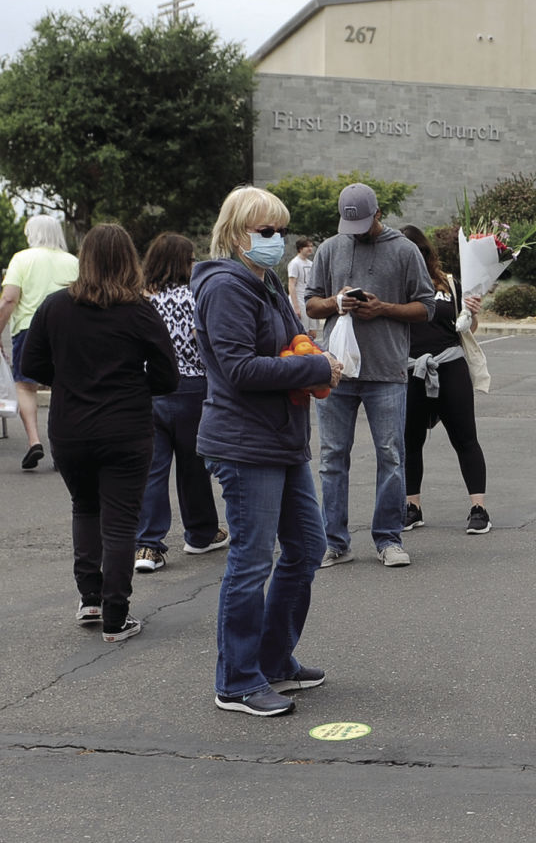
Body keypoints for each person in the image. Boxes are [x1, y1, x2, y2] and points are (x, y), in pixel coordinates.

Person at [194, 186, 342, 716]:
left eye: (281, 230)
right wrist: (315, 367)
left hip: (279, 439)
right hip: (245, 442)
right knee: (251, 562)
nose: (277, 240)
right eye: (266, 232)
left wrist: (311, 354)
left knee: (305, 547)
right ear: (237, 235)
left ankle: (274, 661)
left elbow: (281, 347)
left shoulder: (265, 281)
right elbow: (239, 369)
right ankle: (236, 681)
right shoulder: (226, 287)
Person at [19, 224, 177, 643]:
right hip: (126, 426)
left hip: (71, 426)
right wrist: (135, 385)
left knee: (85, 508)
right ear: (129, 259)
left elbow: (32, 367)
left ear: (84, 258)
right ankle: (116, 614)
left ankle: (90, 597)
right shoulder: (140, 311)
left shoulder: (55, 307)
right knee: (122, 521)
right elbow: (167, 375)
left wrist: (71, 378)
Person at [304, 183, 435, 568]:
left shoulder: (405, 250)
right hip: (337, 371)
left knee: (391, 456)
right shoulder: (330, 248)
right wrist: (335, 303)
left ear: (379, 214)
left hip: (387, 371)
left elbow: (427, 307)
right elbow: (311, 304)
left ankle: (388, 539)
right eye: (350, 224)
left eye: (363, 223)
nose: (356, 232)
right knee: (331, 457)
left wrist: (384, 309)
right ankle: (335, 542)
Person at [132, 233, 227, 574]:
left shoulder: (141, 301)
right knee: (193, 466)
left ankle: (148, 546)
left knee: (153, 471)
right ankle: (200, 533)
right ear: (181, 263)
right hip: (191, 388)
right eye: (190, 260)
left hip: (149, 390)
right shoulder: (196, 298)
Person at [399, 225, 491, 535]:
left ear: (424, 252)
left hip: (449, 367)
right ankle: (412, 506)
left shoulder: (448, 283)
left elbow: (467, 327)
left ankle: (479, 508)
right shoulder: (393, 284)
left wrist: (472, 313)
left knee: (465, 438)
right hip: (409, 369)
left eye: (413, 252)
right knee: (410, 441)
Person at [1, 215, 81, 470]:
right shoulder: (73, 262)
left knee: (25, 386)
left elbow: (9, 299)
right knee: (64, 385)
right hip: (69, 332)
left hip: (28, 329)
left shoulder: (22, 259)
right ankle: (61, 447)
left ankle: (34, 441)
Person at [287, 237, 318, 334]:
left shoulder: (311, 263)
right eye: (307, 246)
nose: (310, 249)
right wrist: (296, 307)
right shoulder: (294, 263)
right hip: (299, 301)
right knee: (302, 332)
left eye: (311, 246)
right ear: (300, 249)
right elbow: (291, 285)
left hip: (309, 301)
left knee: (313, 332)